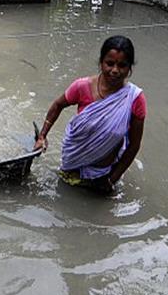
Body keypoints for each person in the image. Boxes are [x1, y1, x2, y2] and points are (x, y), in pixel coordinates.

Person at [33, 36, 146, 194]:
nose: (115, 70)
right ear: (101, 63)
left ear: (129, 68)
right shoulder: (82, 87)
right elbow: (58, 105)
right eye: (110, 63)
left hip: (103, 176)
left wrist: (111, 180)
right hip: (70, 167)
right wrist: (42, 136)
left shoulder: (134, 99)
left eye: (122, 65)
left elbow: (134, 146)